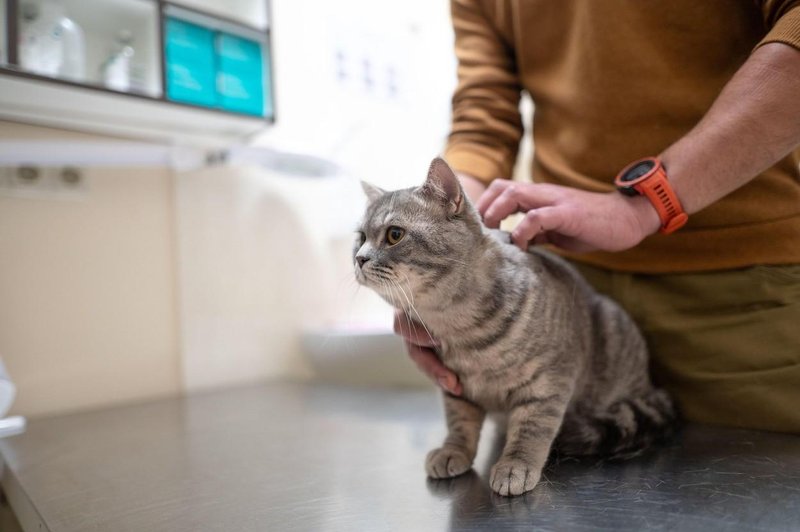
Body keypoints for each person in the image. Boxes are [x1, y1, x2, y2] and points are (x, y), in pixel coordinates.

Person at [394, 0, 800, 433]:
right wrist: (440, 257)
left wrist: (644, 203)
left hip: (747, 293)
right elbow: (483, 120)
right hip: (561, 296)